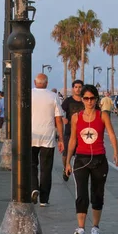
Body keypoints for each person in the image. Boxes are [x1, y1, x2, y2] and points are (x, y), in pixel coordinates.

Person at [65, 85, 118, 234]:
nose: (89, 101)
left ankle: (95, 227)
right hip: (81, 159)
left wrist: (116, 152)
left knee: (97, 193)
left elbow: (111, 134)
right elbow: (73, 139)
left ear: (97, 99)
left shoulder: (102, 115)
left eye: (92, 98)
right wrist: (68, 161)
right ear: (82, 100)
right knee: (81, 194)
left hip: (99, 160)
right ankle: (81, 228)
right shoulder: (76, 117)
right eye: (86, 98)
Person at [31, 73, 65, 207]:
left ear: (35, 82)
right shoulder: (53, 96)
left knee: (31, 165)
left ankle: (33, 188)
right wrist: (61, 138)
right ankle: (44, 199)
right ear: (46, 83)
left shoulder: (28, 94)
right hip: (48, 137)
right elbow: (58, 119)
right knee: (46, 169)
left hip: (31, 136)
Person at [61, 80, 85, 181]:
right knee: (66, 154)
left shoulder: (85, 100)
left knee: (81, 154)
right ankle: (65, 167)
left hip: (82, 132)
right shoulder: (68, 101)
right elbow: (60, 112)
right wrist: (63, 119)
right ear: (73, 89)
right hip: (69, 131)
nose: (78, 89)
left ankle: (80, 171)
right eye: (76, 87)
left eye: (80, 87)